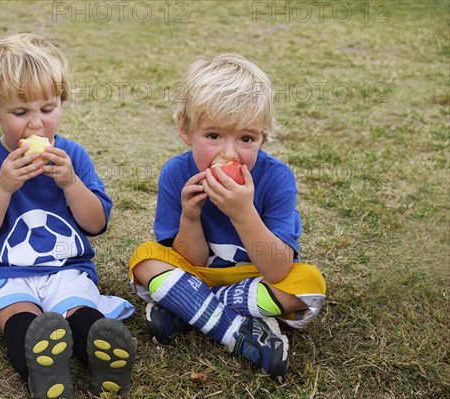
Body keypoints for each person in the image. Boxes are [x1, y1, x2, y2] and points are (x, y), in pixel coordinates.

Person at [0, 33, 136, 399]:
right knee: (20, 317)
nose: (36, 124)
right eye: (20, 113)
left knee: (77, 310)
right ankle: (43, 372)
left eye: (47, 109)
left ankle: (104, 355)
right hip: (1, 272)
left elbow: (96, 224)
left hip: (65, 270)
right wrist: (3, 187)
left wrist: (71, 183)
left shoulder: (73, 157)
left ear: (62, 103)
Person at [128, 54, 327, 380]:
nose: (230, 153)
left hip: (257, 278)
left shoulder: (277, 178)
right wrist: (190, 219)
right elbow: (189, 261)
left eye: (246, 139)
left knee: (308, 285)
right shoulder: (177, 174)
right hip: (198, 274)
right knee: (145, 260)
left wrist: (243, 212)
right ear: (185, 129)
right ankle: (238, 332)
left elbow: (277, 269)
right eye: (214, 136)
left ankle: (185, 307)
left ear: (263, 136)